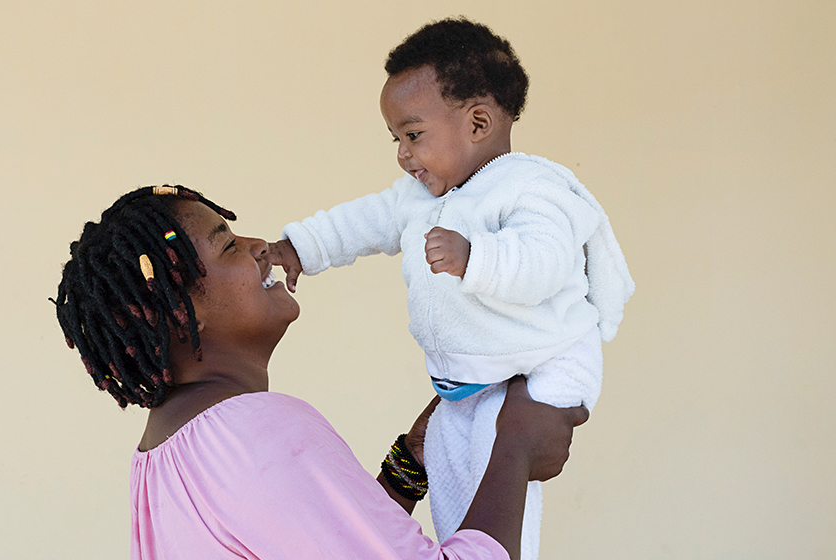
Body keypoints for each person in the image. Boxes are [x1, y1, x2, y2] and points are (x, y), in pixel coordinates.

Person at [52, 185, 589, 559]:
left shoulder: (160, 459)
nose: (260, 247)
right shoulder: (257, 430)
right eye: (227, 245)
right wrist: (513, 447)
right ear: (173, 313)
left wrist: (410, 463)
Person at [266, 17, 634, 559]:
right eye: (395, 139)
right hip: (472, 379)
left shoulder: (533, 186)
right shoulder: (417, 197)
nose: (402, 154)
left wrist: (476, 257)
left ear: (479, 123)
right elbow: (359, 222)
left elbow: (547, 261)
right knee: (452, 475)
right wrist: (300, 248)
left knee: (510, 468)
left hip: (549, 361)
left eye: (412, 135)